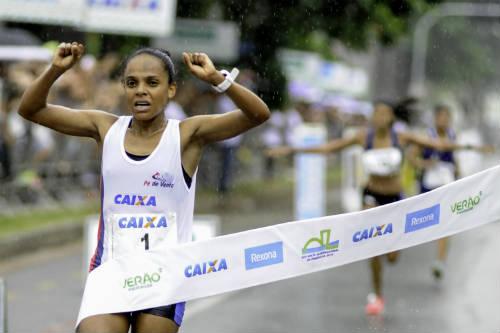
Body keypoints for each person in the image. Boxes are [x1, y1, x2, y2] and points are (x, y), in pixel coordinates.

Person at [18, 41, 270, 333]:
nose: (141, 90)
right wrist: (54, 70)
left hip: (164, 274)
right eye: (131, 83)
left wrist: (217, 79)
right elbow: (31, 109)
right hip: (112, 269)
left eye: (152, 83)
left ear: (170, 90)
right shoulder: (105, 127)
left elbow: (258, 114)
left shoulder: (188, 134)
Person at [268, 101, 483, 316]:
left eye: (384, 114)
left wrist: (472, 148)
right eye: (376, 113)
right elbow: (329, 147)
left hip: (395, 199)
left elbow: (439, 145)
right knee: (374, 248)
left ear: (391, 117)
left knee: (391, 257)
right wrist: (293, 149)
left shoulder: (401, 138)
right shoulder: (364, 137)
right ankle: (376, 294)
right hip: (371, 196)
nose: (380, 118)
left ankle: (388, 256)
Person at [408, 105, 459, 281]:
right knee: (428, 222)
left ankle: (440, 260)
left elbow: (454, 159)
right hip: (429, 185)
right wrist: (425, 164)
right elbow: (412, 157)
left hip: (447, 184)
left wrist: (459, 175)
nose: (443, 121)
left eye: (446, 118)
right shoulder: (426, 137)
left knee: (446, 222)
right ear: (435, 119)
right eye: (440, 117)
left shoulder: (452, 136)